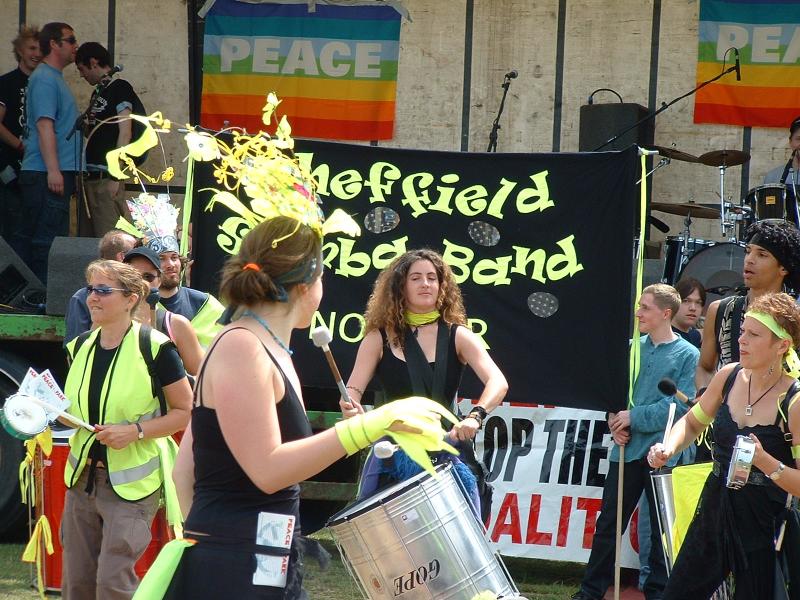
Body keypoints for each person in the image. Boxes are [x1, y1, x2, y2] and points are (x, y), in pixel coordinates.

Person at [162, 217, 455, 599]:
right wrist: (367, 427)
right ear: (306, 286)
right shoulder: (242, 346)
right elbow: (266, 470)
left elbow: (186, 470)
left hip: (261, 552)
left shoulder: (269, 347)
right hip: (234, 562)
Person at [649, 292, 800, 599]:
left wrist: (764, 461)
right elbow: (692, 423)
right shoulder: (728, 376)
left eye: (754, 335)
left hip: (765, 522)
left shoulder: (794, 401)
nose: (742, 340)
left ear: (782, 345)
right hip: (715, 507)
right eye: (743, 330)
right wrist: (668, 447)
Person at [340, 248, 507, 515]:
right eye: (416, 277)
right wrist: (350, 403)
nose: (425, 283)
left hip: (448, 446)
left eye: (432, 277)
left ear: (442, 286)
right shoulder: (377, 338)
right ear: (400, 286)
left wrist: (475, 416)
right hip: (392, 450)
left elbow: (498, 382)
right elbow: (353, 389)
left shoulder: (459, 335)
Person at [61, 260, 192, 599]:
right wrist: (56, 413)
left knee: (112, 584)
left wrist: (134, 432)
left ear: (132, 298)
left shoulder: (156, 347)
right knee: (76, 584)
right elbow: (74, 409)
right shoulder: (79, 348)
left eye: (103, 290)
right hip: (80, 482)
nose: (92, 298)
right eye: (91, 289)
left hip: (131, 489)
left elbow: (185, 411)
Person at [571, 284, 699, 600]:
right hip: (625, 450)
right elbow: (614, 395)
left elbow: (682, 407)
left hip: (664, 455)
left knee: (659, 532)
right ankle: (590, 591)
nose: (638, 312)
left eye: (645, 307)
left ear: (665, 313)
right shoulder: (631, 348)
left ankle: (657, 593)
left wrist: (632, 417)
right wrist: (614, 420)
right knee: (608, 526)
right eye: (639, 305)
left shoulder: (688, 355)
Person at [11, 22, 79, 283]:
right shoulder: (45, 79)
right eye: (70, 40)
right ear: (54, 44)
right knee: (44, 242)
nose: (75, 46)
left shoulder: (52, 78)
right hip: (44, 173)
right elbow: (44, 125)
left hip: (50, 171)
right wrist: (53, 169)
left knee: (47, 239)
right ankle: (37, 298)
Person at [696, 220, 800, 389]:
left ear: (783, 269)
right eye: (748, 251)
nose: (749, 260)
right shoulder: (719, 310)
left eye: (762, 254)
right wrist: (704, 395)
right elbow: (705, 367)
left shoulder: (795, 318)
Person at [75, 42, 145, 237]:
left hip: (107, 177)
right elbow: (98, 135)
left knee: (111, 238)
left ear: (93, 62)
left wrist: (116, 175)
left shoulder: (120, 87)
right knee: (90, 239)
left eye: (82, 69)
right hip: (90, 176)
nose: (81, 75)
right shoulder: (97, 92)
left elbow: (125, 131)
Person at [123, 245, 204, 375]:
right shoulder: (109, 320)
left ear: (159, 280)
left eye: (148, 277)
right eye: (133, 277)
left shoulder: (176, 324)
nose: (141, 282)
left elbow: (200, 373)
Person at [0, 25, 40, 241]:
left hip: (37, 169)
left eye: (39, 48)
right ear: (20, 51)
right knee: (14, 229)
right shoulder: (6, 83)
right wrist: (20, 146)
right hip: (11, 167)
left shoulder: (45, 82)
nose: (36, 54)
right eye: (31, 48)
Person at [63, 228, 137, 344]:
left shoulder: (142, 292)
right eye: (136, 252)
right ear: (122, 257)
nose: (93, 297)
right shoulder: (81, 298)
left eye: (102, 290)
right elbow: (74, 348)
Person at [157, 246, 225, 347]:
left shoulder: (206, 303)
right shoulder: (140, 307)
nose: (170, 265)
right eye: (161, 259)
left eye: (174, 257)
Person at [672, 277, 705, 349]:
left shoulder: (692, 336)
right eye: (686, 301)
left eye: (698, 303)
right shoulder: (663, 337)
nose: (693, 308)